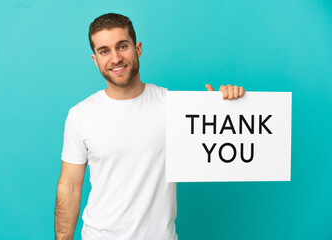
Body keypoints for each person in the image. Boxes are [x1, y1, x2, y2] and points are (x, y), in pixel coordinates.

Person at [54, 13, 245, 240]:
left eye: (122, 46)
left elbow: (216, 148)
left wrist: (226, 108)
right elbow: (70, 187)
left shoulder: (175, 106)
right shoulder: (80, 115)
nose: (115, 58)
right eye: (104, 51)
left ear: (138, 49)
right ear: (95, 59)